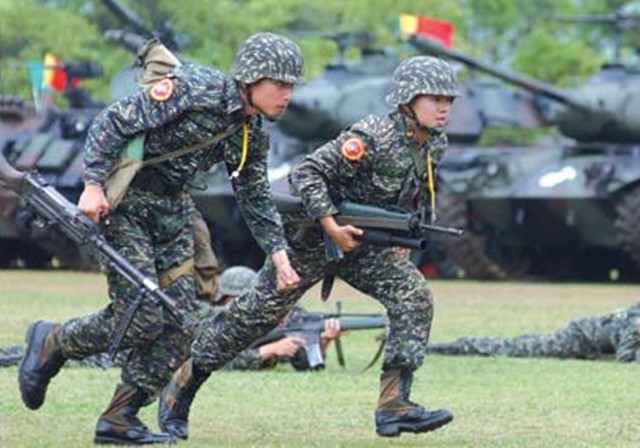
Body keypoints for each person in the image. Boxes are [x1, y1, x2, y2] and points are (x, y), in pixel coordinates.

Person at [18, 32, 304, 445]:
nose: (287, 95)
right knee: (143, 313)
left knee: (180, 324)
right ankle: (52, 341)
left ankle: (119, 418)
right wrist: (93, 184)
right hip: (127, 203)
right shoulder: (196, 88)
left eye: (292, 85)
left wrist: (278, 253)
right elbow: (114, 121)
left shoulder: (252, 131)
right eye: (280, 84)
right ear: (251, 78)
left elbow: (255, 195)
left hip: (172, 213)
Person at [158, 55, 460, 439]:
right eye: (434, 98)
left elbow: (413, 191)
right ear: (407, 100)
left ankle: (394, 406)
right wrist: (331, 225)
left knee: (415, 297)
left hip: (363, 246)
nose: (444, 106)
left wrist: (398, 237)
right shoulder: (371, 137)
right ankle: (180, 388)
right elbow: (307, 173)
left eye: (449, 99)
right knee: (250, 320)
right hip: (310, 243)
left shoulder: (435, 145)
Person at [199, 266, 342, 371]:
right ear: (222, 300)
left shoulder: (273, 320)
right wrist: (270, 350)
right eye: (236, 300)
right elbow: (218, 363)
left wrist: (324, 340)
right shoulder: (212, 322)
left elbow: (304, 365)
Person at [428, 301, 640, 362]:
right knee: (515, 348)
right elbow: (625, 356)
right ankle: (459, 346)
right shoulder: (636, 320)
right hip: (576, 340)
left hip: (584, 341)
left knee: (523, 343)